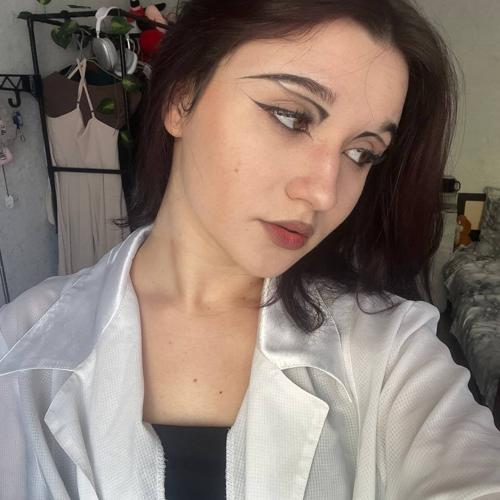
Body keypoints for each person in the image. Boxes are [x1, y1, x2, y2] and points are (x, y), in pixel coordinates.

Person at [1, 0, 500, 498]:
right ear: (181, 100)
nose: (324, 193)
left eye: (361, 152)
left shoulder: (394, 352)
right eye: (291, 117)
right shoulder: (17, 349)